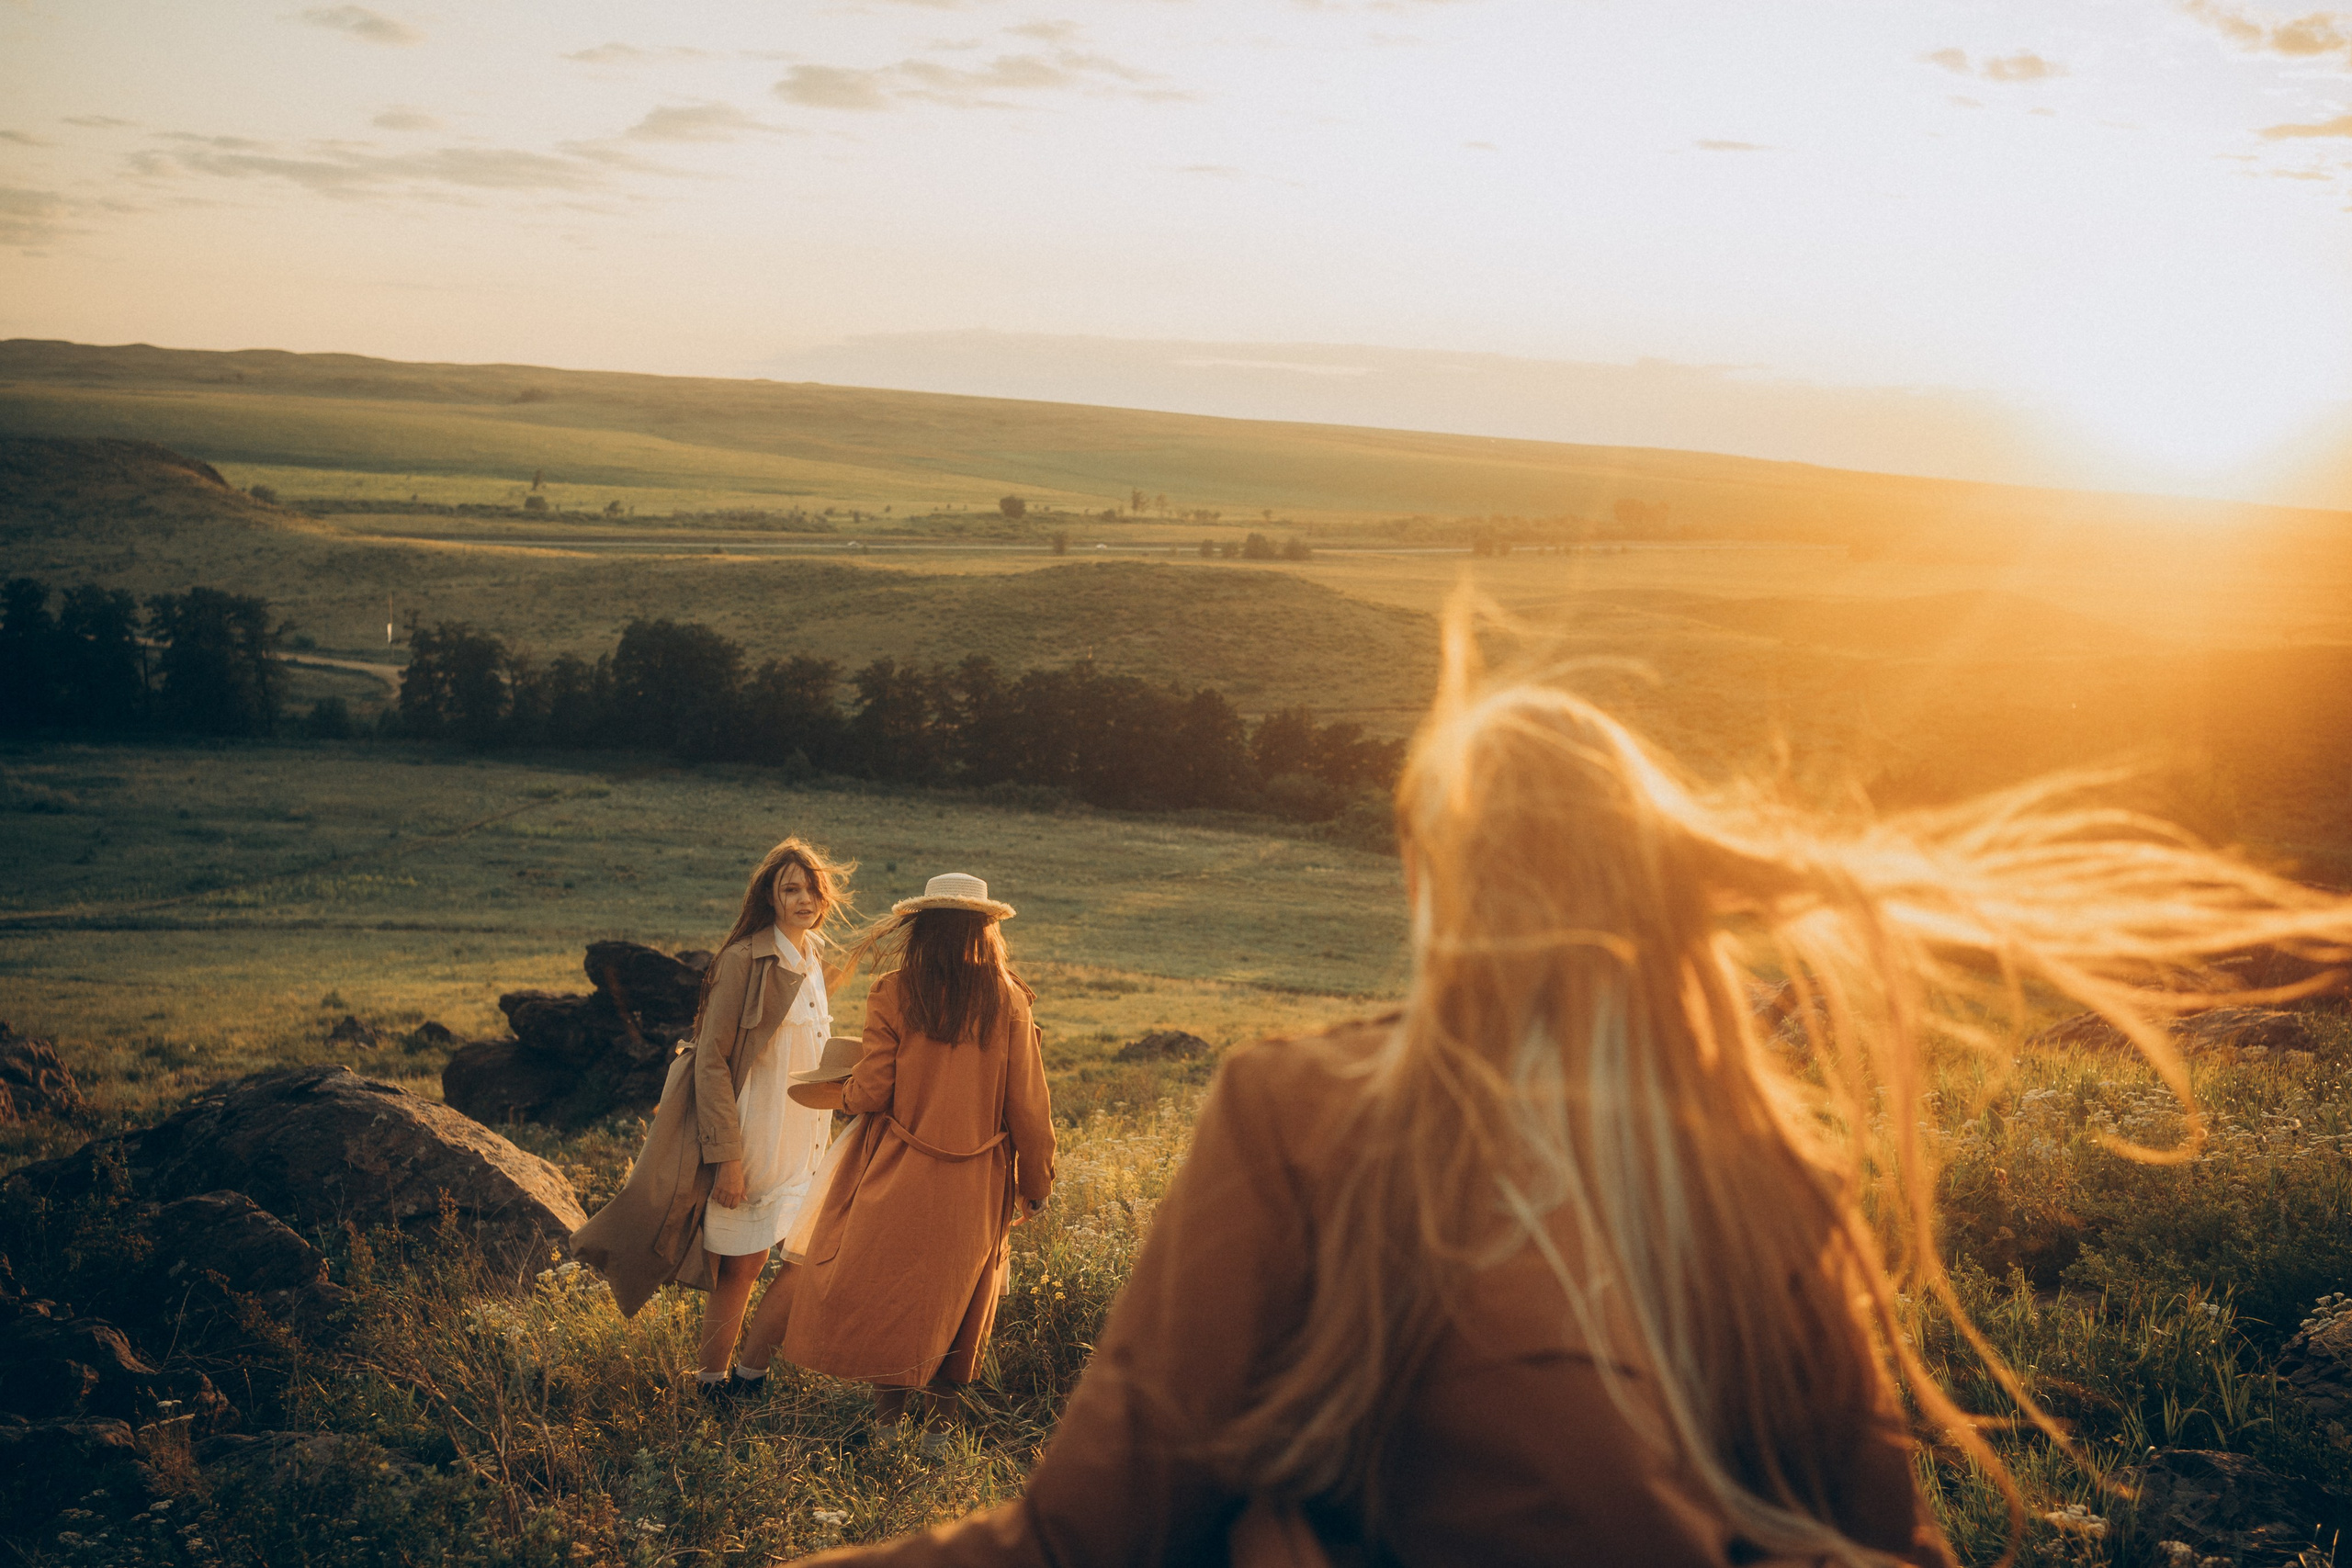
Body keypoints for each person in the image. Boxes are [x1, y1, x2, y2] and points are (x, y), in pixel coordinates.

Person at [794, 610, 2352, 1566]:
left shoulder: (1303, 1111)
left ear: (1439, 883)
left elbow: (1091, 1533)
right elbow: (1888, 1532)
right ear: (1657, 886)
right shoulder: (1761, 1170)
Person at [571, 836, 854, 1402]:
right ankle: (711, 1387)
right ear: (769, 898)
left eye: (811, 889)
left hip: (807, 1141)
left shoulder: (815, 956)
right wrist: (727, 1158)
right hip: (752, 1139)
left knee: (804, 1256)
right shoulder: (743, 959)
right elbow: (712, 1062)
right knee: (741, 1269)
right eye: (789, 889)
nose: (803, 899)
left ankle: (752, 1374)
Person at [780, 872, 1056, 1438]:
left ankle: (887, 1430)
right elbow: (1029, 1103)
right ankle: (936, 1437)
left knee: (894, 1295)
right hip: (979, 1177)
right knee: (960, 1302)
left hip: (898, 1168)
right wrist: (1038, 1179)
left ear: (922, 928)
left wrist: (844, 1091)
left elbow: (874, 1089)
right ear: (986, 931)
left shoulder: (895, 990)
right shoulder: (1008, 997)